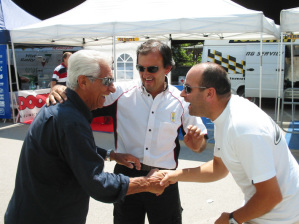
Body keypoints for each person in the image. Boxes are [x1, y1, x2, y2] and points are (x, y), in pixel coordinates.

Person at [47, 39, 208, 224]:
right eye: (141, 68)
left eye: (152, 69)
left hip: (164, 180)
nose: (145, 74)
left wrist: (197, 144)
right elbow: (82, 97)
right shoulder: (120, 93)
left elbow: (201, 143)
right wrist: (62, 89)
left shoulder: (181, 102)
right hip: (127, 177)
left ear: (167, 69)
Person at [4, 50, 168, 224]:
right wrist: (147, 183)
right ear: (82, 81)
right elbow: (98, 184)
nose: (112, 88)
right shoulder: (70, 119)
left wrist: (110, 155)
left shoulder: (62, 108)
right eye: (107, 81)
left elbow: (70, 149)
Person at [160, 62, 299, 224]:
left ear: (210, 93)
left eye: (188, 88)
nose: (182, 94)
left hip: (281, 217)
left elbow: (270, 196)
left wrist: (231, 220)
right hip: (266, 211)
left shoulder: (242, 127)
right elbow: (218, 168)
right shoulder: (226, 113)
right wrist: (173, 176)